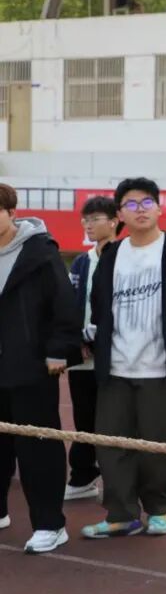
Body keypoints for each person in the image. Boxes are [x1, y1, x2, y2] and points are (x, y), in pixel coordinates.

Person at [81, 177, 166, 539]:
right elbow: (99, 306)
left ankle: (158, 509)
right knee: (111, 444)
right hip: (115, 368)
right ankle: (122, 514)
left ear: (159, 208)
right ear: (120, 214)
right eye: (131, 204)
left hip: (160, 369)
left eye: (146, 203)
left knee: (160, 444)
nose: (139, 210)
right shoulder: (112, 256)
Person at [0, 183, 82, 554]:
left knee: (38, 446)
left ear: (11, 213)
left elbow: (63, 305)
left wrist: (58, 351)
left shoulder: (40, 252)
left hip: (31, 366)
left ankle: (50, 524)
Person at [64, 196, 121, 502]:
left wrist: (98, 339)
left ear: (114, 221)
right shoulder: (81, 262)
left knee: (114, 421)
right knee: (84, 419)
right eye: (85, 220)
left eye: (95, 219)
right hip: (83, 357)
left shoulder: (124, 258)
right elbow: (71, 305)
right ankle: (83, 476)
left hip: (115, 357)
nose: (88, 225)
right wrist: (77, 340)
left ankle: (120, 484)